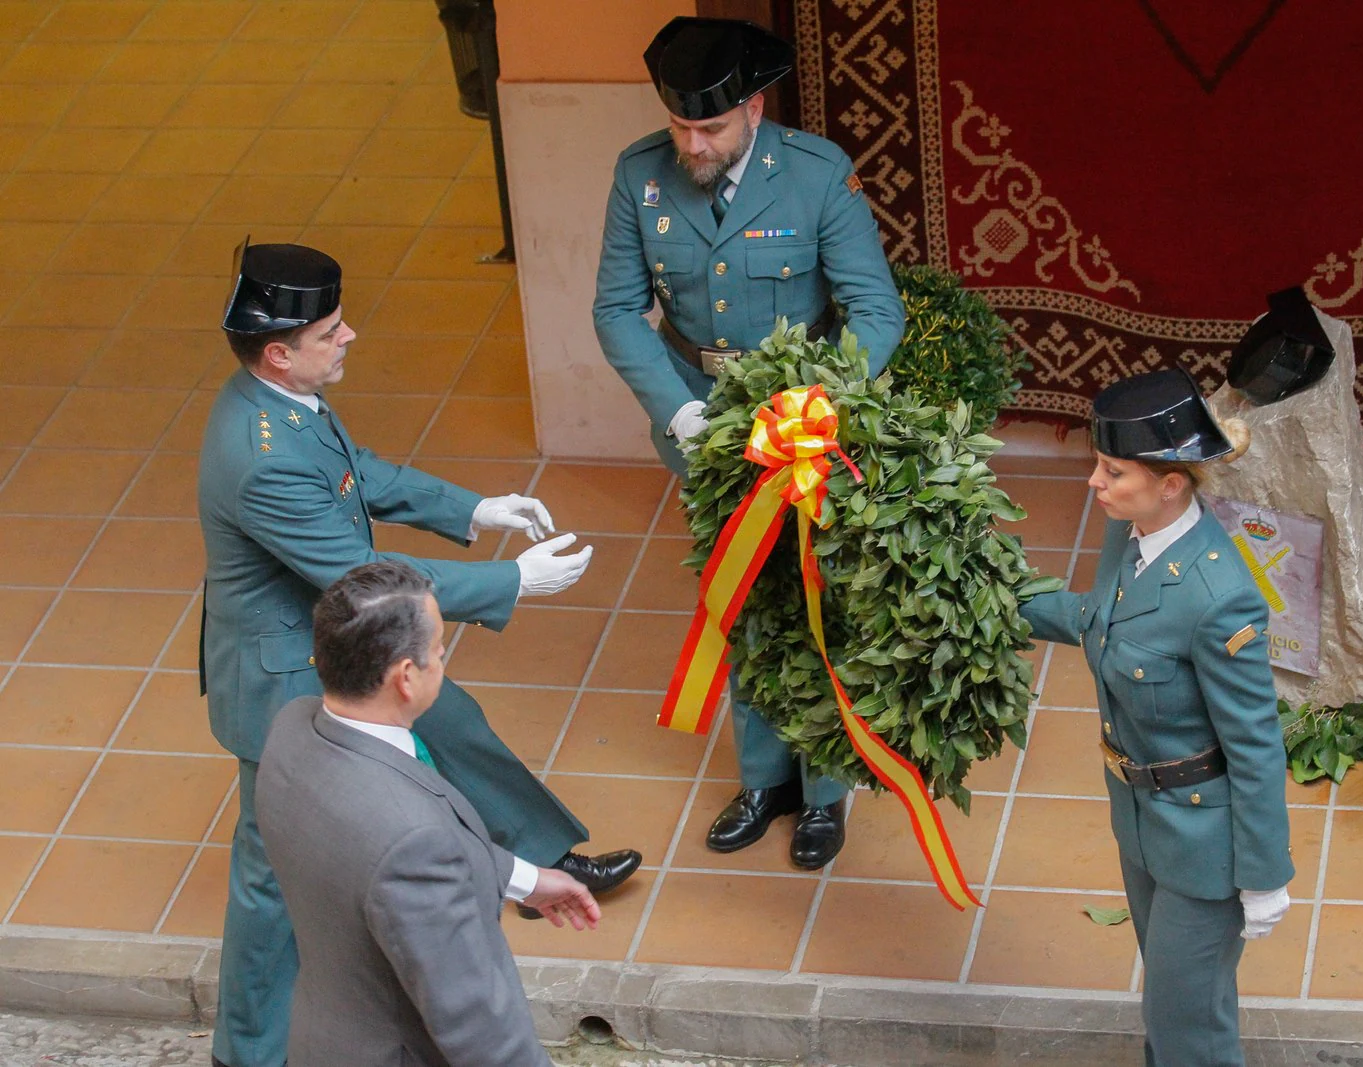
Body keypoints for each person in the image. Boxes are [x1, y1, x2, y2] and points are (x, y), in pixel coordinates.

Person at [200, 240, 640, 1067]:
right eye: (332, 330)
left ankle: (538, 859)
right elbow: (358, 573)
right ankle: (247, 1052)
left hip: (319, 639)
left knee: (453, 719)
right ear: (278, 350)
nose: (350, 336)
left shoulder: (289, 400)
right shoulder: (260, 456)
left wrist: (475, 507)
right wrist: (509, 582)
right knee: (268, 891)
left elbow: (357, 473)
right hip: (282, 678)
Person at [592, 16, 906, 869]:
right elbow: (617, 308)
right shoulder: (640, 178)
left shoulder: (815, 176)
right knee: (738, 602)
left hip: (803, 427)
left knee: (815, 602)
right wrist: (676, 409)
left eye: (711, 128)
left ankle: (826, 791)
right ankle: (764, 781)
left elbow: (876, 312)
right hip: (700, 425)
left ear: (755, 110)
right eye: (681, 125)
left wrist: (818, 409)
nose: (692, 142)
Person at [1019, 368, 1294, 1067]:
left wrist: (1264, 874)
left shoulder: (1218, 597)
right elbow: (1096, 618)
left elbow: (1255, 742)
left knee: (1185, 1028)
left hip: (1206, 846)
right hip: (1141, 821)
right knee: (1178, 1013)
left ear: (1172, 482)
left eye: (1113, 471)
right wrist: (996, 600)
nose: (1094, 482)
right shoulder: (1134, 534)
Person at [257, 561, 599, 1067]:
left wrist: (523, 879)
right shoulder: (411, 843)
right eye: (439, 652)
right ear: (407, 676)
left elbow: (374, 861)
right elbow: (478, 1027)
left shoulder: (291, 730)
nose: (442, 660)